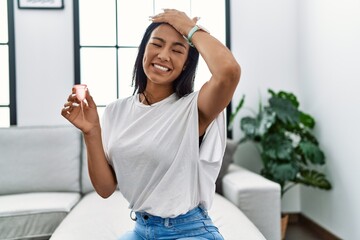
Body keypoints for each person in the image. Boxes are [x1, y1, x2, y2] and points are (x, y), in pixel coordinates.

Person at [61, 9, 240, 240]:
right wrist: (91, 131)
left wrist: (189, 28)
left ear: (186, 64)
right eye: (157, 44)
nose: (164, 55)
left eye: (177, 50)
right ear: (143, 50)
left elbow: (229, 72)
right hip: (141, 230)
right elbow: (105, 189)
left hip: (189, 231)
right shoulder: (116, 110)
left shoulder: (194, 109)